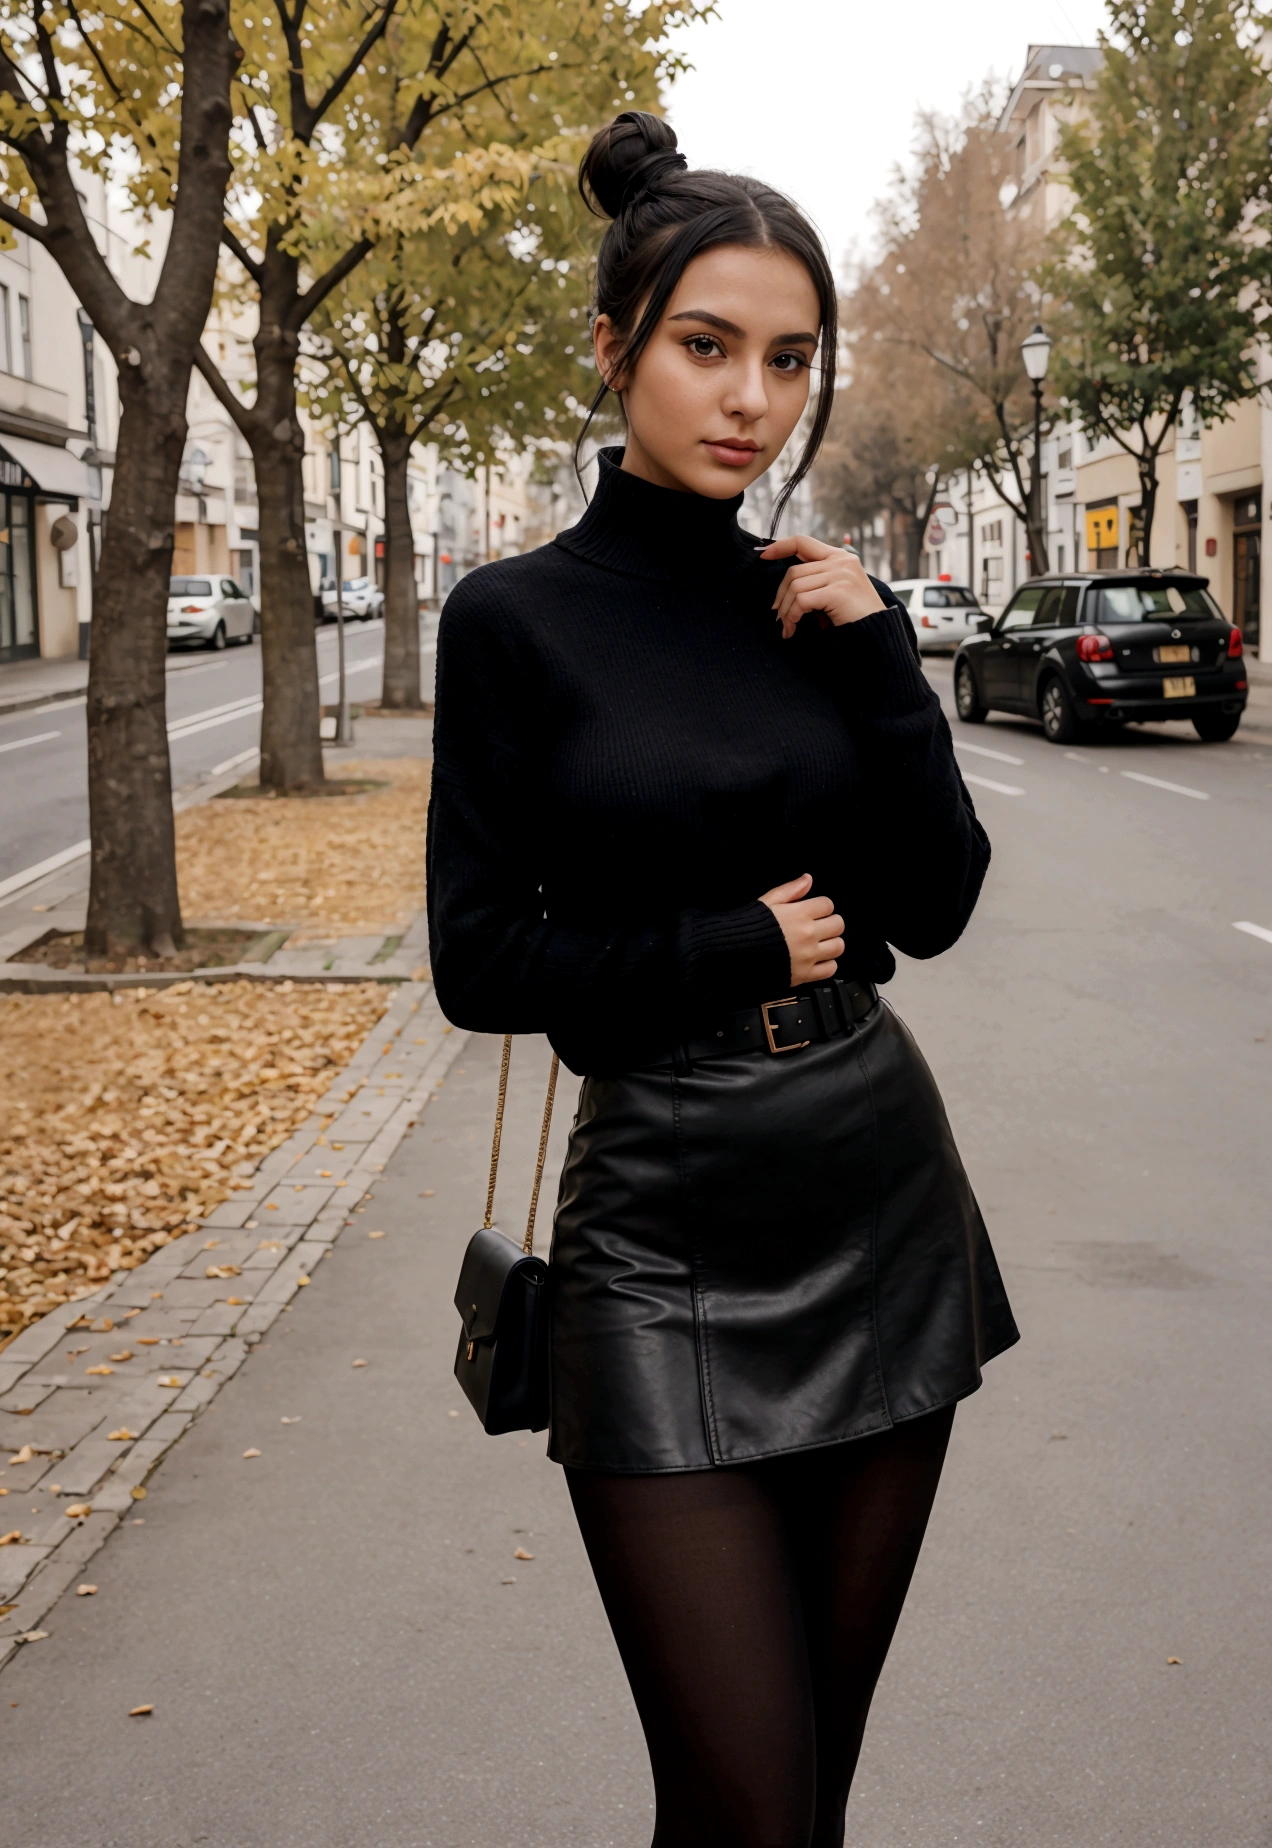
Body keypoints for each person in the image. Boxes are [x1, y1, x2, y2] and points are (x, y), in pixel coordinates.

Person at [426, 110, 1019, 1848]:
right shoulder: (514, 617)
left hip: (875, 1198)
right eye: (704, 348)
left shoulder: (818, 606)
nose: (747, 398)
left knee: (803, 1804)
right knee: (744, 1801)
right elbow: (480, 960)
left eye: (784, 358)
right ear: (615, 351)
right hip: (661, 1228)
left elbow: (946, 903)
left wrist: (888, 672)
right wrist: (731, 945)